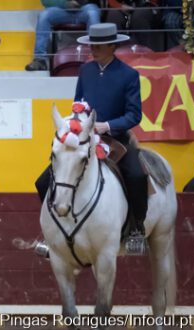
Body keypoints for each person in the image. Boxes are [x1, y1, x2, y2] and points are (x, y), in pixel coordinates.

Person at [35, 23, 147, 239]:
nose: (92, 49)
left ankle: (136, 228)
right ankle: (54, 228)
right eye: (92, 45)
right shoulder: (85, 70)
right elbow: (78, 103)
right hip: (84, 139)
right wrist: (76, 124)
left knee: (136, 175)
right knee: (42, 181)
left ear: (112, 46)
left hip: (116, 139)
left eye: (99, 45)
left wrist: (108, 126)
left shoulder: (129, 75)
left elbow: (134, 115)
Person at [26, 0, 101, 71]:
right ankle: (40, 59)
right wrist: (65, 4)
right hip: (61, 10)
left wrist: (81, 1)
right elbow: (46, 1)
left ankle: (97, 56)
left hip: (84, 8)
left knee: (93, 12)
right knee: (44, 15)